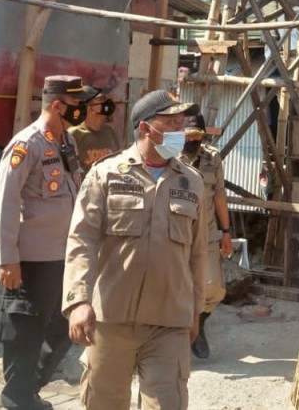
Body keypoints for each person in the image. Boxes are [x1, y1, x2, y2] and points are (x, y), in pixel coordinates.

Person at [64, 90, 208, 410]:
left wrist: (196, 311)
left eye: (181, 123)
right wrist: (79, 300)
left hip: (168, 322)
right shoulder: (106, 174)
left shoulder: (192, 182)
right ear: (146, 128)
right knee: (104, 404)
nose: (179, 131)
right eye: (170, 123)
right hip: (111, 319)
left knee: (168, 403)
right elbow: (82, 240)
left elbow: (198, 255)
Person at [0, 75, 88, 410]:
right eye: (77, 106)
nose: (82, 112)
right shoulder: (26, 144)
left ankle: (30, 387)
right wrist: (7, 259)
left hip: (64, 254)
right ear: (58, 105)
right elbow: (5, 201)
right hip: (31, 258)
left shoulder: (68, 144)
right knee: (26, 328)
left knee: (64, 327)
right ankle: (17, 396)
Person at [179, 110, 232, 360]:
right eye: (188, 133)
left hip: (208, 233)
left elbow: (219, 196)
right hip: (176, 233)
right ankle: (178, 335)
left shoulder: (212, 158)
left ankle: (197, 325)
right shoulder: (169, 156)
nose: (193, 139)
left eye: (197, 134)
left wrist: (227, 231)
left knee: (215, 289)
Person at [70, 85, 122, 171]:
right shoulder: (74, 134)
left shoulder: (110, 132)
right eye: (101, 100)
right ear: (89, 107)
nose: (107, 104)